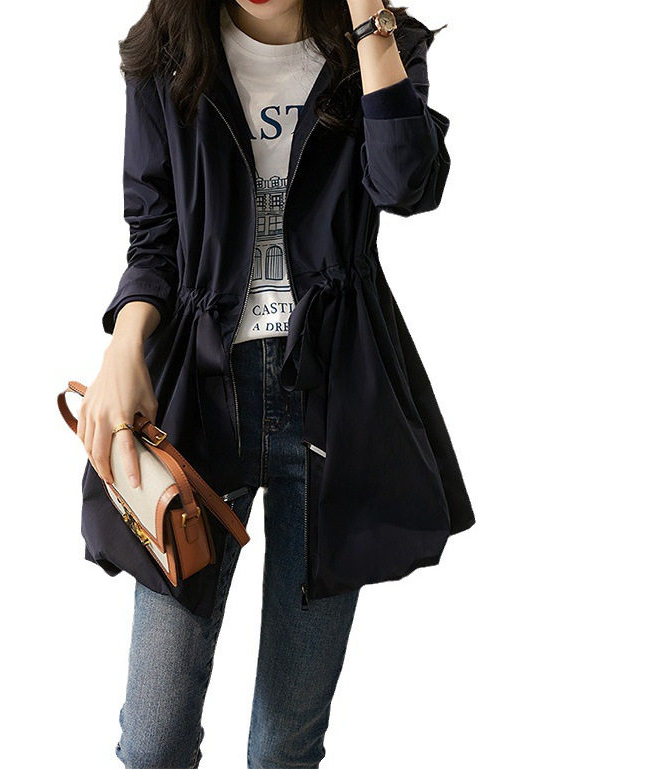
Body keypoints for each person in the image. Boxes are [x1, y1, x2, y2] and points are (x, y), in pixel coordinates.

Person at [76, 1, 475, 767]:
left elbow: (404, 184)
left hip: (331, 399)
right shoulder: (165, 48)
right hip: (197, 403)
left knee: (282, 748)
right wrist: (123, 346)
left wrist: (370, 24)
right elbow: (153, 233)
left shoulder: (380, 45)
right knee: (153, 742)